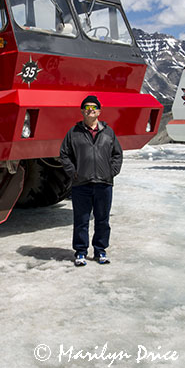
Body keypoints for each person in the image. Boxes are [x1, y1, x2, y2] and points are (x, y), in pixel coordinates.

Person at [60, 95, 123, 266]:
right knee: (81, 219)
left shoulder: (108, 132)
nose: (90, 110)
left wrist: (112, 171)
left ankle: (100, 250)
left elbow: (117, 154)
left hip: (104, 184)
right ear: (82, 111)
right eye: (87, 108)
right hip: (82, 184)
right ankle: (80, 252)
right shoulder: (73, 133)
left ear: (99, 111)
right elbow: (64, 154)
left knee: (102, 219)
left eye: (94, 107)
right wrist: (73, 173)